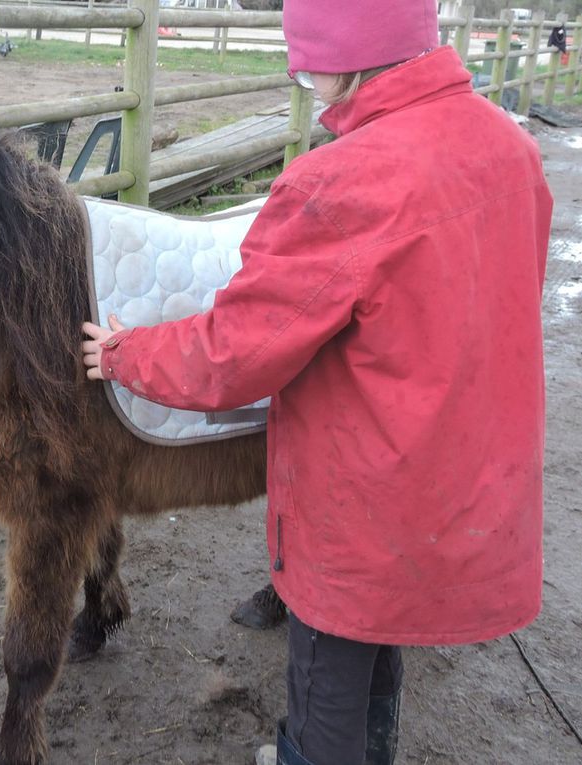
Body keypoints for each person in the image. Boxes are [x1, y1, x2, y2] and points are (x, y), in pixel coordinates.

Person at [80, 1, 552, 763]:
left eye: (307, 64)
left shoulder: (340, 182)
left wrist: (127, 354)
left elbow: (237, 351)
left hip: (365, 491)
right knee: (383, 637)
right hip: (461, 473)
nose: (306, 83)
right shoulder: (510, 149)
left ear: (346, 55)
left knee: (328, 665)